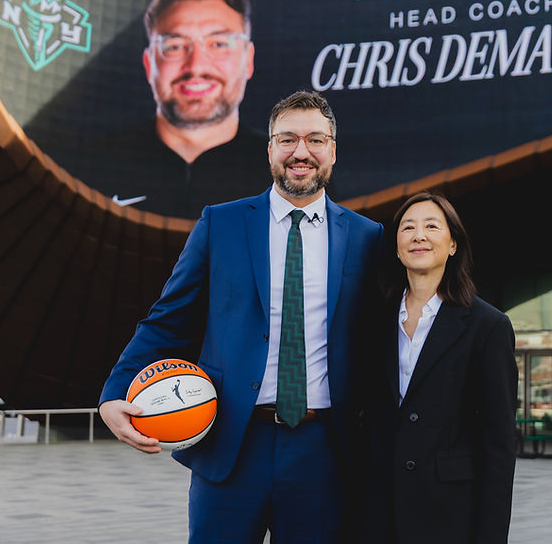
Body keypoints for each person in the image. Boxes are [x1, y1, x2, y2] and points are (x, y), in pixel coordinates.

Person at [99, 90, 383, 543]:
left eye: (315, 139)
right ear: (270, 148)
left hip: (324, 450)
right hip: (230, 442)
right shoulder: (221, 224)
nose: (301, 152)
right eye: (287, 139)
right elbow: (167, 319)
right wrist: (115, 391)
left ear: (332, 150)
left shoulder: (369, 238)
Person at [363, 191, 518, 544]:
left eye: (432, 226)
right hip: (375, 513)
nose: (419, 235)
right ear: (396, 246)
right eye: (408, 228)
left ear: (452, 244)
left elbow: (499, 446)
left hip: (449, 515)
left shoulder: (488, 327)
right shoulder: (373, 320)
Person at [107, 0, 272, 217]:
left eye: (219, 44)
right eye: (175, 47)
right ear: (149, 65)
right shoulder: (95, 165)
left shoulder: (290, 176)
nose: (196, 66)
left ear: (248, 60)